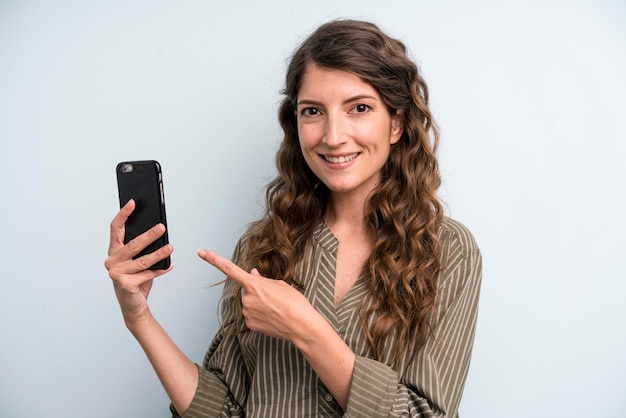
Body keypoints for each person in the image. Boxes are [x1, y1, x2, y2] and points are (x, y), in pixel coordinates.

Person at [105, 19, 482, 418]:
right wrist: (139, 318)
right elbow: (225, 409)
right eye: (313, 111)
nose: (333, 136)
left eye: (359, 108)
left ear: (397, 124)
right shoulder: (264, 244)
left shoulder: (447, 249)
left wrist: (308, 331)